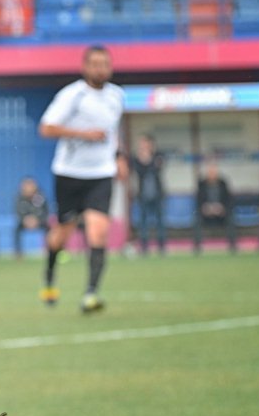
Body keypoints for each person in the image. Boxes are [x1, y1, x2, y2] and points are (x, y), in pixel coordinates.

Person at [38, 45, 124, 314]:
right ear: (85, 67)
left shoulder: (117, 96)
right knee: (61, 235)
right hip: (69, 174)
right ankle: (49, 279)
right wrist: (83, 134)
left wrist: (119, 157)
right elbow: (46, 128)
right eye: (95, 64)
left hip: (101, 174)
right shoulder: (72, 95)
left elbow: (112, 132)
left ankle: (91, 294)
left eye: (104, 64)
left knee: (98, 232)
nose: (100, 69)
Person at [129, 134, 166, 255]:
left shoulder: (158, 155)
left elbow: (157, 169)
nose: (142, 146)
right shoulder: (136, 158)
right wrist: (143, 160)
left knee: (160, 221)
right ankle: (144, 247)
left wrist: (148, 160)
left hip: (157, 194)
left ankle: (161, 247)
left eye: (145, 143)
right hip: (143, 194)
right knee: (143, 221)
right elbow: (139, 171)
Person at [195, 158, 237, 254]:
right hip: (206, 214)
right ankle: (197, 247)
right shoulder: (201, 184)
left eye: (214, 170)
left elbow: (229, 200)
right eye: (210, 171)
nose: (212, 173)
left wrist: (222, 208)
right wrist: (205, 208)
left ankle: (233, 247)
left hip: (221, 214)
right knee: (197, 219)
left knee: (230, 218)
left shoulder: (223, 183)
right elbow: (199, 201)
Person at [12, 176, 49, 259]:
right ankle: (18, 253)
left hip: (39, 221)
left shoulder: (41, 196)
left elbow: (46, 212)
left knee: (49, 228)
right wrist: (25, 220)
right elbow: (17, 212)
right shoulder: (19, 197)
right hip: (25, 222)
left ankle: (50, 250)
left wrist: (38, 220)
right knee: (16, 229)